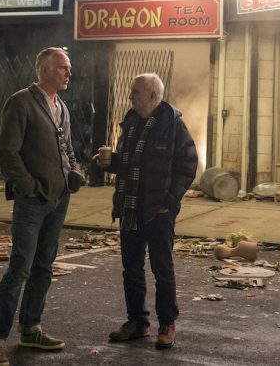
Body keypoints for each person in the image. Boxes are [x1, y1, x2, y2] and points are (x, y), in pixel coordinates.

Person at [0, 47, 85, 366]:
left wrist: (72, 172)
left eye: (69, 68)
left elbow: (67, 147)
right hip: (33, 200)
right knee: (20, 268)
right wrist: (28, 187)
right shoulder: (21, 102)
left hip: (58, 198)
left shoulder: (60, 106)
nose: (68, 73)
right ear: (45, 70)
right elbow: (6, 153)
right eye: (63, 68)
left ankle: (30, 329)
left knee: (43, 267)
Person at [93, 73, 197, 350]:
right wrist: (109, 163)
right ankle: (137, 322)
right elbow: (130, 163)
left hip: (158, 210)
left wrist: (170, 201)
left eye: (136, 92)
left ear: (153, 96)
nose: (131, 96)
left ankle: (167, 323)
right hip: (130, 207)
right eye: (131, 91)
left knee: (162, 269)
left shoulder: (172, 125)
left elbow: (188, 165)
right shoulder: (131, 122)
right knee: (132, 269)